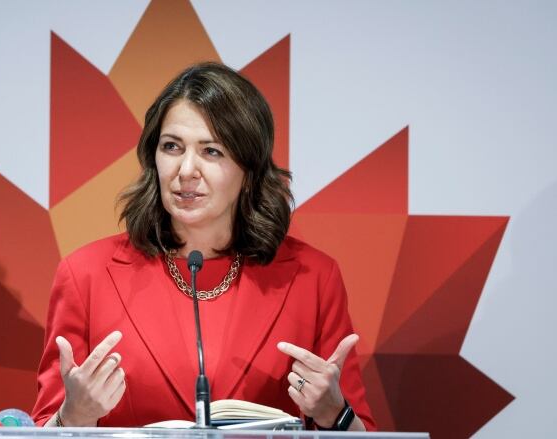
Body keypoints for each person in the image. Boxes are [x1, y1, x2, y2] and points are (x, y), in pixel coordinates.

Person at [31, 62, 375, 431]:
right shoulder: (85, 275)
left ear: (249, 170)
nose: (186, 170)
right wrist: (76, 415)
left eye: (211, 151)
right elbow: (42, 426)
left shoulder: (314, 277)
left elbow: (364, 433)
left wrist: (334, 414)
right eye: (172, 147)